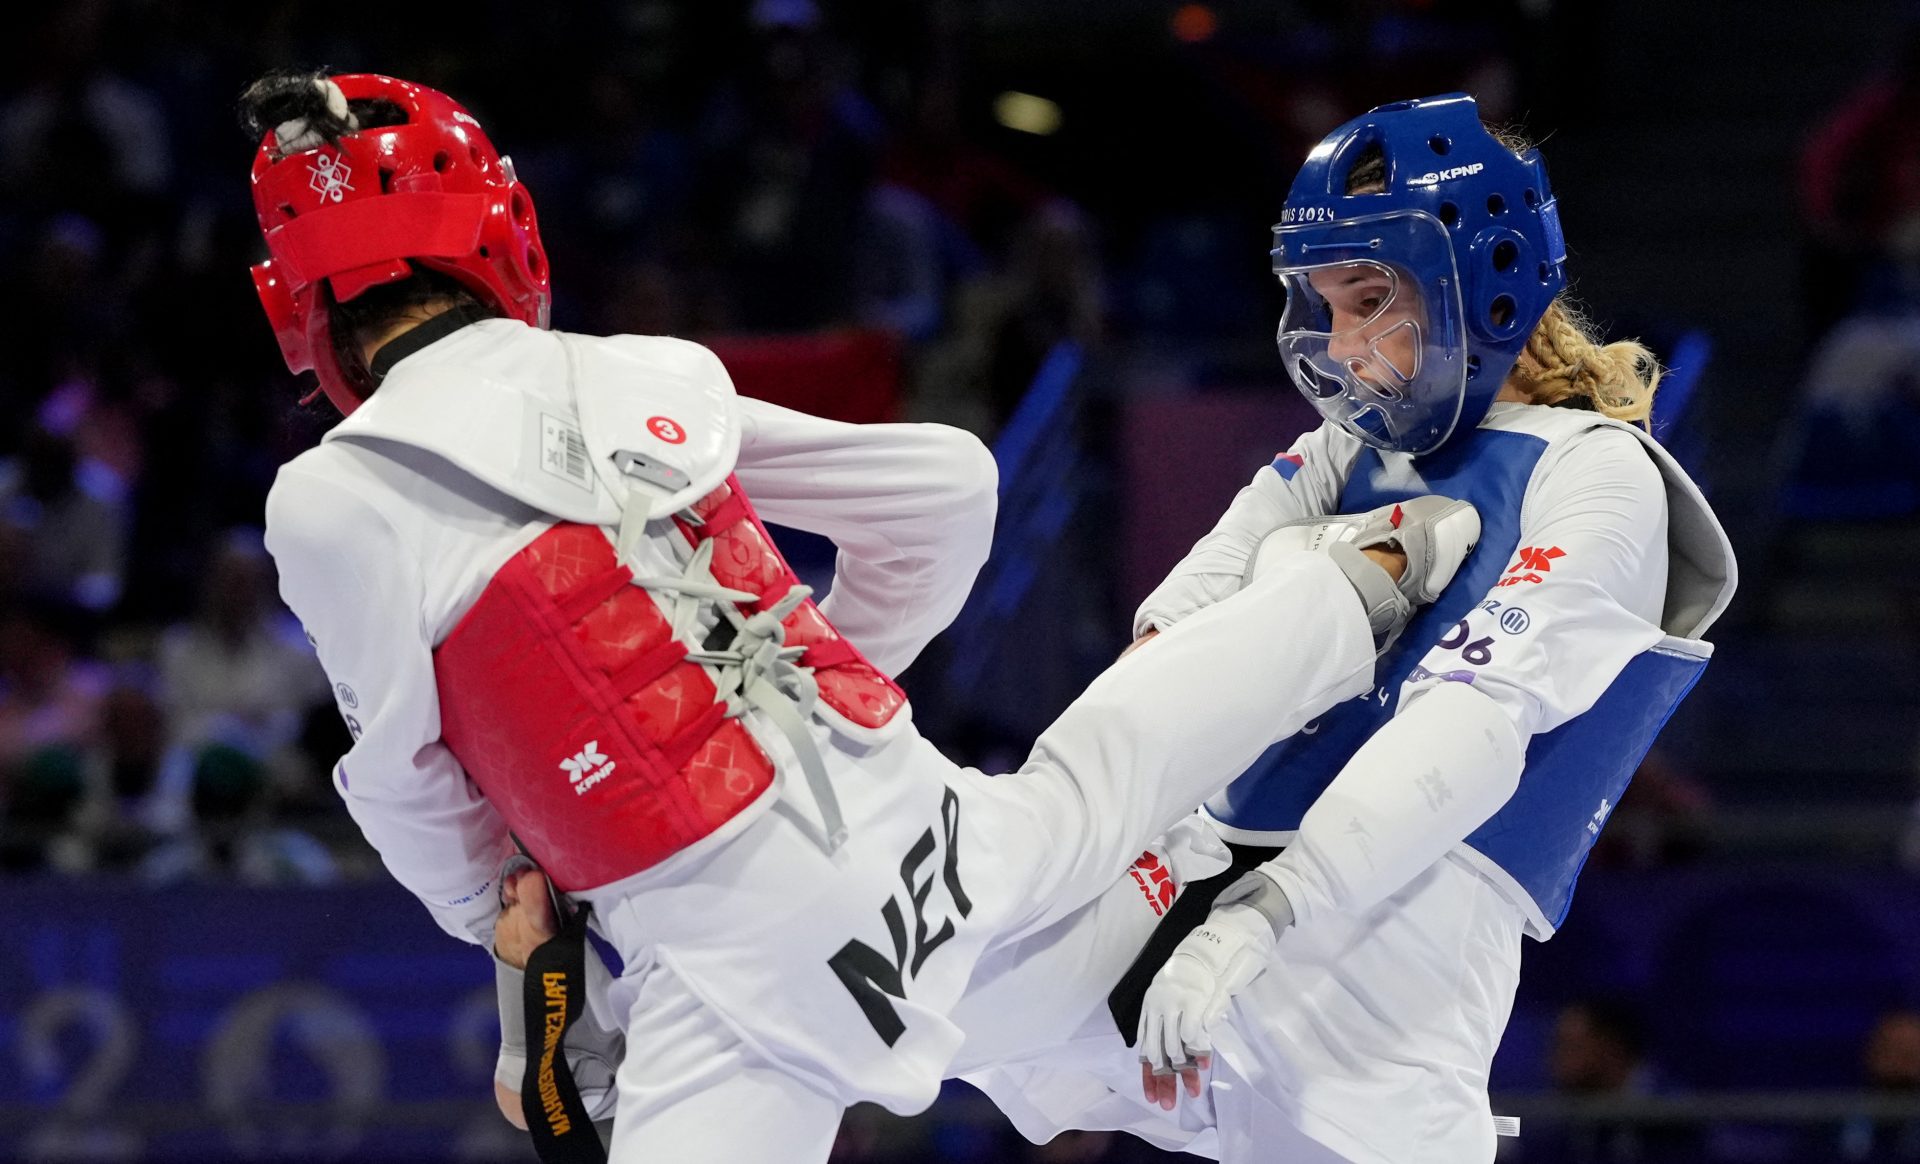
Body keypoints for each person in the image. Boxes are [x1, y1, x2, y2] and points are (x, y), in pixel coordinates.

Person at [239, 71, 1482, 1162]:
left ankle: (1346, 601)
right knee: (1092, 784)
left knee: (1086, 813)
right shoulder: (646, 371)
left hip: (742, 971)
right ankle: (1365, 575)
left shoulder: (329, 500)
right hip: (923, 832)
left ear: (300, 310)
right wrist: (831, 684)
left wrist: (510, 929)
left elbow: (406, 784)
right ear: (499, 231)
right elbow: (949, 488)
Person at [955, 93, 1738, 1164]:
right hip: (1200, 872)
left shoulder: (1596, 476)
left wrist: (1270, 911)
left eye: (1370, 299)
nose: (1346, 347)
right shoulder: (1338, 453)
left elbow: (1474, 722)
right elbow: (1174, 638)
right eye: (1324, 306)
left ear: (1487, 278)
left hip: (1391, 943)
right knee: (935, 986)